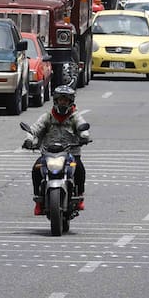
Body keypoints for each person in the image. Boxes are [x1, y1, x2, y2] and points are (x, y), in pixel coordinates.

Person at [22, 84, 90, 215]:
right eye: (60, 99)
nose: (63, 102)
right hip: (48, 153)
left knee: (80, 169)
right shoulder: (47, 116)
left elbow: (83, 126)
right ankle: (38, 200)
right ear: (56, 100)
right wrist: (29, 140)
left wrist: (84, 136)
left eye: (66, 100)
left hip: (71, 153)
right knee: (36, 169)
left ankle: (80, 196)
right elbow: (34, 128)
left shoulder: (75, 116)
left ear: (71, 102)